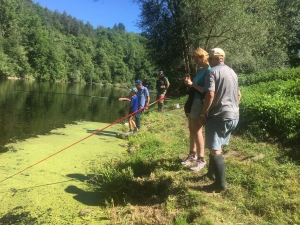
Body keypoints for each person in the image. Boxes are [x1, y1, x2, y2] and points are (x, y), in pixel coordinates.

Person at [199, 48, 240, 192]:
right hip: (234, 115)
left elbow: (210, 94)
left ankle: (220, 184)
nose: (209, 61)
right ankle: (211, 174)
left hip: (218, 116)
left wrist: (203, 114)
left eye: (209, 59)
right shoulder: (232, 72)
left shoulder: (213, 72)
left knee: (215, 149)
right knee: (216, 145)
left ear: (215, 59)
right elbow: (239, 95)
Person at [183, 48, 211, 171]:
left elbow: (206, 90)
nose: (196, 62)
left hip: (200, 102)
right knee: (191, 129)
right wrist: (189, 83)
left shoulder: (210, 70)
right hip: (192, 101)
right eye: (194, 60)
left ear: (203, 56)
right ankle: (192, 154)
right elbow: (195, 85)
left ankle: (201, 159)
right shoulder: (201, 70)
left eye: (197, 59)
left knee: (197, 131)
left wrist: (192, 84)